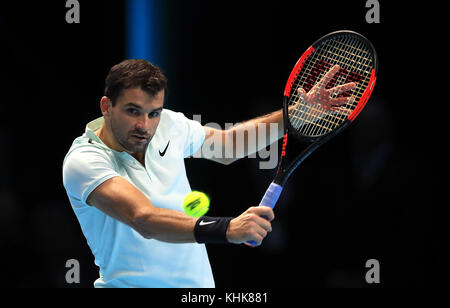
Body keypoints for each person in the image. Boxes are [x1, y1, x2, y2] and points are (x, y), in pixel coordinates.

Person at [62, 59, 354, 288]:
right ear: (107, 106)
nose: (145, 125)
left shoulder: (169, 125)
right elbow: (143, 218)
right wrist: (227, 228)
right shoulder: (85, 160)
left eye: (153, 113)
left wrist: (297, 113)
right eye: (132, 111)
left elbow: (228, 147)